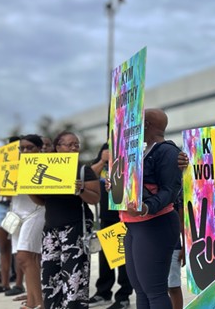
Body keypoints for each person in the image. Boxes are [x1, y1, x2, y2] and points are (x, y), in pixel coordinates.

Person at [30, 131, 100, 309]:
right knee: (50, 276)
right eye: (69, 144)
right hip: (51, 229)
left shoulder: (83, 170)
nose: (74, 148)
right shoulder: (49, 169)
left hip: (75, 228)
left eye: (76, 144)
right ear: (58, 148)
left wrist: (81, 190)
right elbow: (43, 201)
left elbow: (95, 198)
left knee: (74, 278)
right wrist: (29, 189)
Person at [119, 108, 181, 309]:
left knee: (154, 291)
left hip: (155, 224)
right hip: (135, 226)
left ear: (145, 125)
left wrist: (146, 207)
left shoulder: (167, 151)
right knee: (141, 291)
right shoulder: (138, 153)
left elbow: (170, 190)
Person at [88, 144, 133, 309]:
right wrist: (102, 160)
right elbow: (89, 176)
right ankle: (103, 293)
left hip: (122, 216)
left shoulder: (126, 160)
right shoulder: (101, 162)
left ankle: (123, 296)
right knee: (105, 259)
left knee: (122, 259)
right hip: (106, 217)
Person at [0, 136, 25, 297]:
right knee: (3, 247)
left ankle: (18, 283)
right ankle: (4, 283)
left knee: (18, 247)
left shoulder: (23, 164)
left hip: (15, 207)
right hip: (0, 207)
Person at [13, 135, 47, 309]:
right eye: (22, 148)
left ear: (40, 148)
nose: (25, 151)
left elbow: (43, 197)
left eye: (30, 147)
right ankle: (34, 301)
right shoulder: (14, 167)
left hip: (35, 212)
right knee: (26, 260)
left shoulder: (45, 165)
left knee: (25, 257)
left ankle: (40, 302)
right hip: (18, 214)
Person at [167, 192, 185, 309]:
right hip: (149, 243)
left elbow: (183, 219)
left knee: (173, 286)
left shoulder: (176, 189)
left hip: (173, 244)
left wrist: (185, 247)